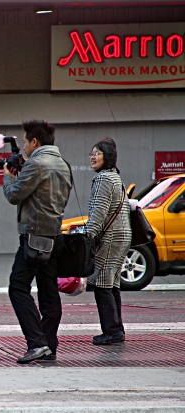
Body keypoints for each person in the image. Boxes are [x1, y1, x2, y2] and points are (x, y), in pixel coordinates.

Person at [2, 120, 72, 363]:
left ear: (35, 142)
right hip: (55, 234)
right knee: (49, 292)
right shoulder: (63, 164)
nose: (23, 146)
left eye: (24, 141)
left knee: (17, 287)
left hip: (34, 237)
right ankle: (49, 345)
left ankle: (37, 342)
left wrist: (7, 177)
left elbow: (14, 195)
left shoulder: (36, 163)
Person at [84, 137, 131, 345]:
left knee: (102, 283)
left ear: (108, 157)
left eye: (97, 153)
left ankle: (112, 331)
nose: (92, 157)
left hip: (110, 237)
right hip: (122, 235)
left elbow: (98, 212)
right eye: (92, 153)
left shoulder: (104, 179)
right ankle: (116, 328)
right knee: (112, 283)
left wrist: (88, 236)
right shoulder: (115, 177)